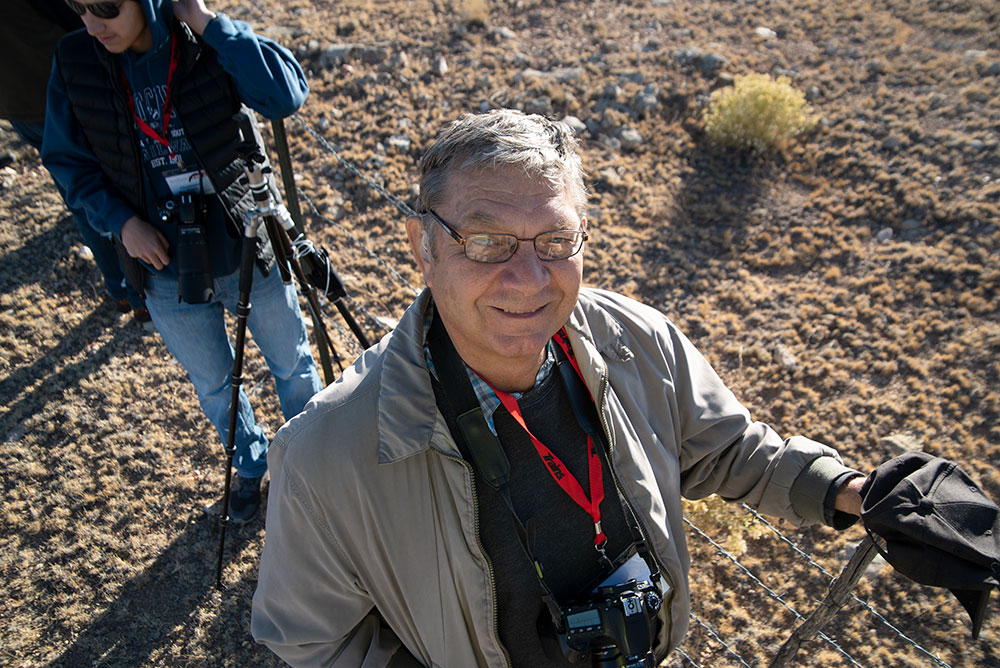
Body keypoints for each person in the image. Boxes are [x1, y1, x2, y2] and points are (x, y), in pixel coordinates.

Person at [251, 109, 867, 667]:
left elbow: (728, 451)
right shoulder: (324, 456)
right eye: (486, 241)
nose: (527, 278)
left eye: (555, 240)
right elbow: (314, 640)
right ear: (424, 245)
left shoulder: (637, 338)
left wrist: (856, 495)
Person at [42, 0, 323, 523]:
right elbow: (67, 161)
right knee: (216, 384)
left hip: (247, 242)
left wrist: (205, 20)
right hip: (164, 267)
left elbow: (283, 96)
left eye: (105, 7)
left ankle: (314, 462)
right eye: (80, 8)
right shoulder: (75, 58)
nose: (93, 24)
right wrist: (121, 223)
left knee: (292, 363)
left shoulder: (203, 38)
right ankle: (249, 465)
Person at [1, 0, 146, 324]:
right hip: (64, 85)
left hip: (16, 100)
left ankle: (120, 289)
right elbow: (84, 15)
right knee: (105, 185)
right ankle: (139, 294)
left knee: (77, 190)